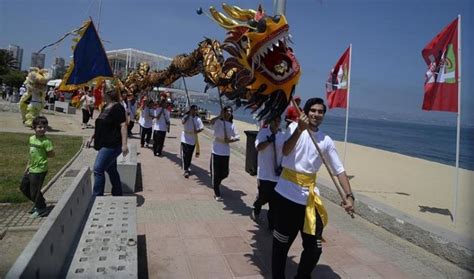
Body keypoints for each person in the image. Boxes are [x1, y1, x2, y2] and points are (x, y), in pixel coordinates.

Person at [272, 97, 355, 278]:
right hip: (286, 195)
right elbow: (285, 150)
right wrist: (300, 130)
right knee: (281, 246)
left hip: (309, 199)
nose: (317, 114)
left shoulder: (326, 140)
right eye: (313, 110)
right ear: (305, 112)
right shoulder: (294, 128)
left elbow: (339, 171)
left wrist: (349, 196)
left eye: (320, 111)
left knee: (314, 249)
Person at [86, 85, 129, 196]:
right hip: (104, 142)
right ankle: (118, 193)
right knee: (111, 170)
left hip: (112, 144)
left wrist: (124, 144)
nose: (100, 94)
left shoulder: (118, 107)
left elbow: (123, 125)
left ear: (107, 94)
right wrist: (92, 137)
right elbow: (101, 125)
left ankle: (97, 196)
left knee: (98, 169)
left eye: (102, 92)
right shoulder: (106, 106)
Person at [252, 115, 284, 231]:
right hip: (264, 174)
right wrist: (269, 140)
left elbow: (285, 152)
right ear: (270, 122)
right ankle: (257, 206)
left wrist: (282, 165)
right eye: (274, 121)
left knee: (274, 203)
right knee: (263, 197)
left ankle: (272, 226)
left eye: (278, 121)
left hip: (277, 176)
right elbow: (258, 147)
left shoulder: (282, 135)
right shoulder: (262, 133)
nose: (276, 123)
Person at [20, 116, 54, 218]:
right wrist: (28, 166)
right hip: (31, 167)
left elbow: (51, 154)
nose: (42, 129)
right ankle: (39, 202)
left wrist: (44, 155)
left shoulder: (46, 142)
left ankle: (42, 209)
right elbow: (32, 154)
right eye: (39, 127)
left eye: (44, 126)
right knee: (24, 187)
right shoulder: (31, 139)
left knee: (34, 190)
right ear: (34, 128)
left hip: (40, 169)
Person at [210, 106, 240, 201]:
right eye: (227, 111)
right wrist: (219, 116)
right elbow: (211, 122)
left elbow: (237, 136)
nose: (229, 113)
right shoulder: (219, 122)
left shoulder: (232, 125)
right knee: (216, 172)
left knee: (225, 173)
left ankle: (216, 183)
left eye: (230, 111)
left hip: (226, 151)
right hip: (217, 150)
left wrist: (231, 140)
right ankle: (216, 191)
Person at [181, 104, 204, 178]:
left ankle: (187, 166)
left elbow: (201, 128)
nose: (194, 111)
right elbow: (183, 122)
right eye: (193, 110)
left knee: (189, 154)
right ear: (190, 110)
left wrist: (197, 131)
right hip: (185, 137)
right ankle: (185, 170)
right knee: (185, 154)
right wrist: (189, 115)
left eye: (195, 110)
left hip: (193, 138)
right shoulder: (186, 116)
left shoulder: (198, 119)